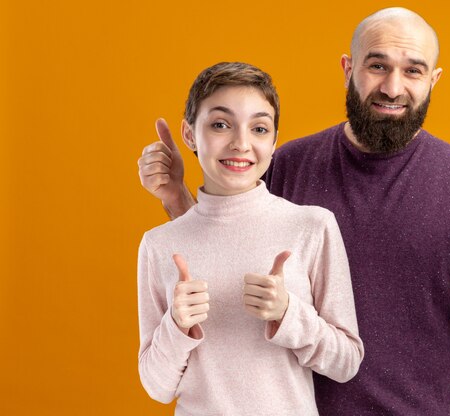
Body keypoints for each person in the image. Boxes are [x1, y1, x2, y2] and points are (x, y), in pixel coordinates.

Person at [138, 8, 450, 416]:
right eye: (377, 65)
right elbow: (222, 249)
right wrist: (177, 199)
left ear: (433, 81)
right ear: (348, 69)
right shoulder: (286, 164)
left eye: (413, 71)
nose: (392, 86)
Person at [137, 62, 364, 416]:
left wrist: (289, 314)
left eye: (259, 128)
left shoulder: (312, 226)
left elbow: (346, 362)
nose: (241, 143)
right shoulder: (159, 244)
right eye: (220, 124)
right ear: (189, 133)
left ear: (274, 141)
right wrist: (176, 327)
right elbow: (157, 387)